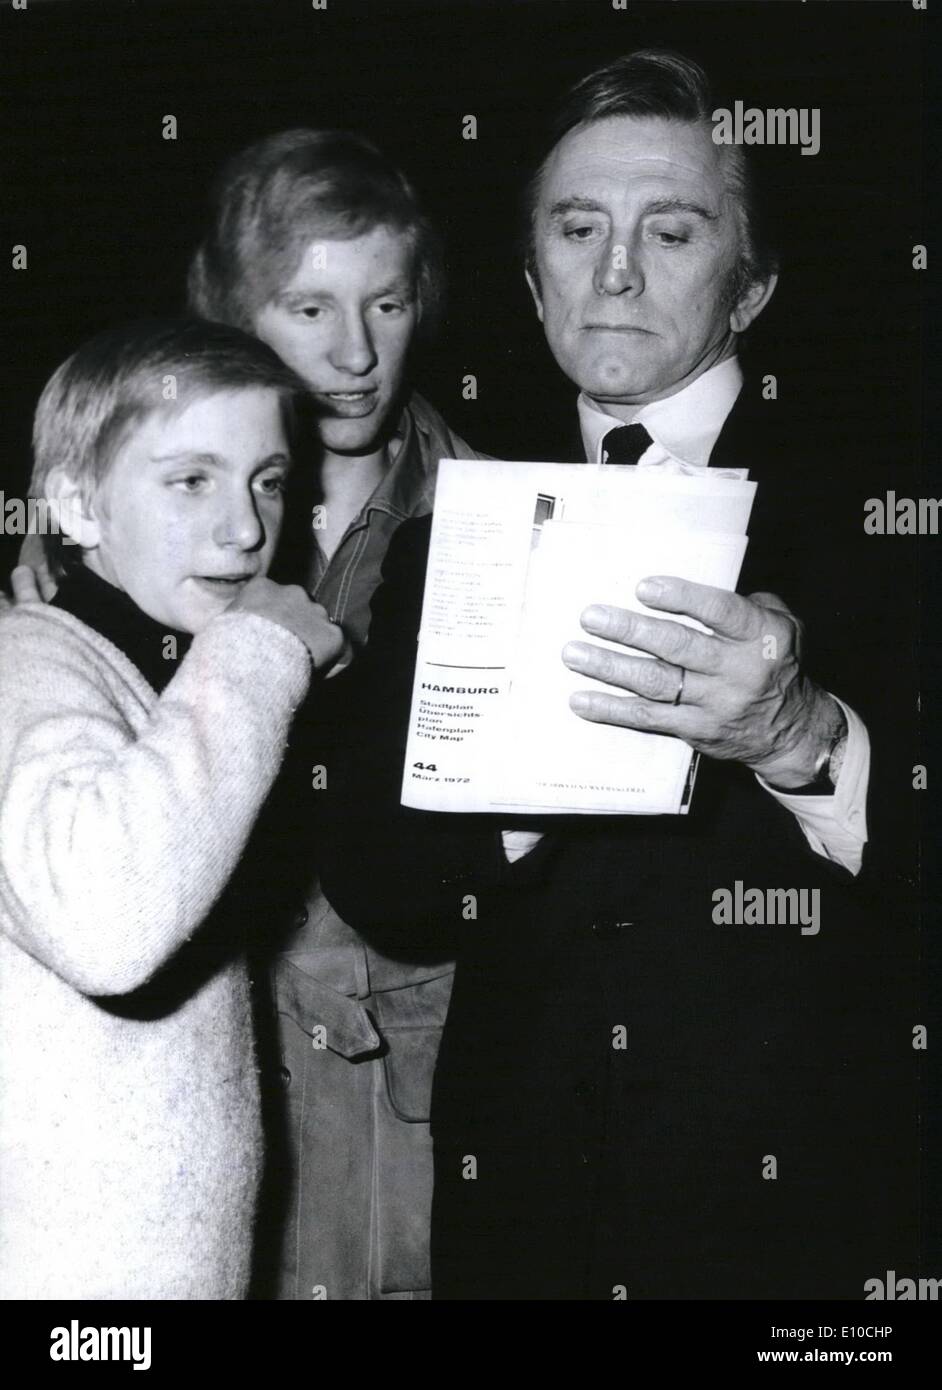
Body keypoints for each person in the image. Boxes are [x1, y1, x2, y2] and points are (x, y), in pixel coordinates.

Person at [317, 50, 922, 1298]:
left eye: (674, 230)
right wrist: (518, 789)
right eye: (579, 228)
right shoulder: (453, 532)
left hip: (810, 1220)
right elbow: (381, 878)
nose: (618, 272)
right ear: (535, 278)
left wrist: (805, 739)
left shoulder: (889, 514)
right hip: (524, 1215)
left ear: (749, 288)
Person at [187, 130, 484, 1300]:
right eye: (307, 307)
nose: (354, 354)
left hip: (393, 1045)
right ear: (231, 308)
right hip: (199, 1027)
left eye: (387, 303)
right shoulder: (146, 508)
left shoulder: (488, 518)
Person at [0, 318, 345, 1299]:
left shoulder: (146, 669)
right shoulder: (31, 667)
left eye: (268, 480)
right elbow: (107, 924)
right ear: (76, 504)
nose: (246, 528)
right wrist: (257, 653)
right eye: (191, 479)